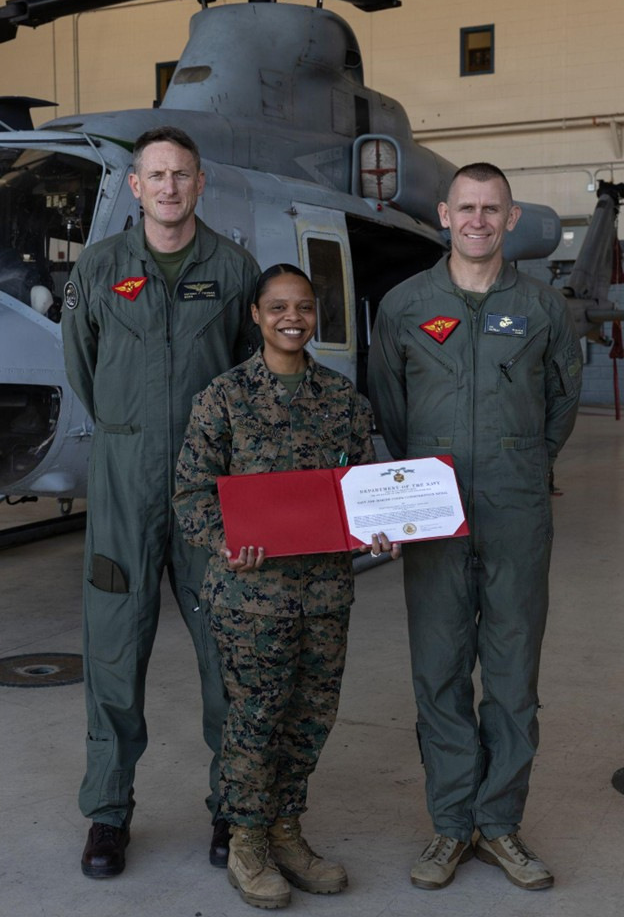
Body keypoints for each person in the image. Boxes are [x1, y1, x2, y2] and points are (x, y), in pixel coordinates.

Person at [368, 163, 583, 892]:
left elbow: (562, 402)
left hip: (516, 509)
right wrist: (418, 484)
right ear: (444, 215)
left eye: (492, 209)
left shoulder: (546, 308)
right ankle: (451, 825)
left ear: (511, 218)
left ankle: (500, 825)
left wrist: (522, 464)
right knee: (439, 670)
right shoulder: (404, 305)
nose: (479, 221)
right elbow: (390, 410)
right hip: (432, 511)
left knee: (514, 672)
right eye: (467, 208)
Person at [61, 125, 260, 878]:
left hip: (210, 492)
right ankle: (108, 816)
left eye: (182, 174)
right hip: (121, 486)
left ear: (200, 184)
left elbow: (250, 376)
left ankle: (232, 811)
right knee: (113, 653)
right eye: (156, 175)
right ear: (137, 186)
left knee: (228, 658)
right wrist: (129, 430)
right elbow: (82, 361)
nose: (169, 187)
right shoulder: (103, 266)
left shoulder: (235, 269)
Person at [174, 264, 399, 909]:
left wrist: (379, 530)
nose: (291, 318)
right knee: (255, 719)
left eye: (303, 307)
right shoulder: (224, 397)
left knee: (311, 719)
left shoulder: (342, 400)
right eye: (277, 308)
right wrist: (223, 540)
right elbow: (190, 495)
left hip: (326, 593)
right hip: (252, 597)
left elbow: (363, 492)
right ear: (256, 316)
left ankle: (287, 828)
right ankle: (246, 840)